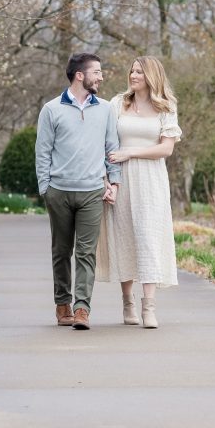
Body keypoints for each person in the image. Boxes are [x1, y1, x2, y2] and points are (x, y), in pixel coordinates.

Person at [35, 53, 121, 330]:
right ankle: (63, 304)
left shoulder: (106, 109)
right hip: (58, 192)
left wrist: (114, 182)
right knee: (61, 251)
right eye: (97, 72)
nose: (101, 76)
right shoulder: (51, 109)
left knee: (86, 252)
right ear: (80, 75)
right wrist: (45, 188)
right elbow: (42, 152)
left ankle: (82, 309)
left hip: (92, 192)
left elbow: (112, 148)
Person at [97, 56, 182, 328]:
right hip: (120, 178)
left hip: (151, 179)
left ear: (151, 76)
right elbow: (105, 142)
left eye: (139, 72)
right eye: (132, 71)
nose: (133, 75)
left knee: (148, 238)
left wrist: (131, 152)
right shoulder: (117, 103)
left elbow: (166, 149)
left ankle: (149, 306)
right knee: (124, 237)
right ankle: (127, 302)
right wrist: (106, 180)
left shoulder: (166, 107)